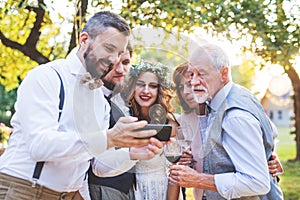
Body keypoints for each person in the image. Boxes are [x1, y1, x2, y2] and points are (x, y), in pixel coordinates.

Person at [0, 11, 163, 200]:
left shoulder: (99, 100)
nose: (114, 60)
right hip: (24, 190)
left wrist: (133, 153)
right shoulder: (46, 76)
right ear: (84, 39)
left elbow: (99, 166)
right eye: (109, 48)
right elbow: (40, 146)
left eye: (119, 53)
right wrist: (109, 137)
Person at [168, 44, 284, 200]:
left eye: (201, 74)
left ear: (223, 73)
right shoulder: (227, 98)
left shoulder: (235, 116)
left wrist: (198, 179)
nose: (194, 82)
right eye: (192, 75)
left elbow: (258, 182)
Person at [121, 60, 178, 200]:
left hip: (161, 191)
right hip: (132, 192)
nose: (146, 91)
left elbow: (174, 173)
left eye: (152, 86)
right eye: (140, 84)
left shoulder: (169, 122)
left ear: (159, 90)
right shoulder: (126, 119)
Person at [87, 42, 137, 200]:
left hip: (130, 189)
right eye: (113, 63)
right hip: (101, 188)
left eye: (126, 62)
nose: (120, 69)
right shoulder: (89, 97)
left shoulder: (127, 98)